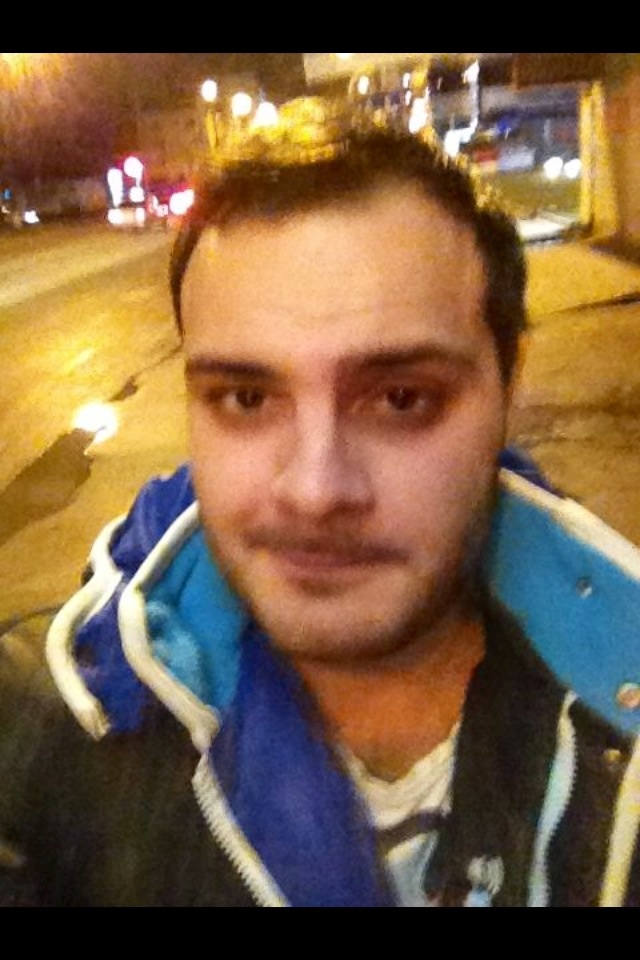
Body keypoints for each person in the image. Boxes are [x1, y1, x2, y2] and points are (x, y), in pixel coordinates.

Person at [2, 122, 640, 908]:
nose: (314, 490)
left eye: (401, 398)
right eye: (246, 398)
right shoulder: (34, 725)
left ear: (509, 389)